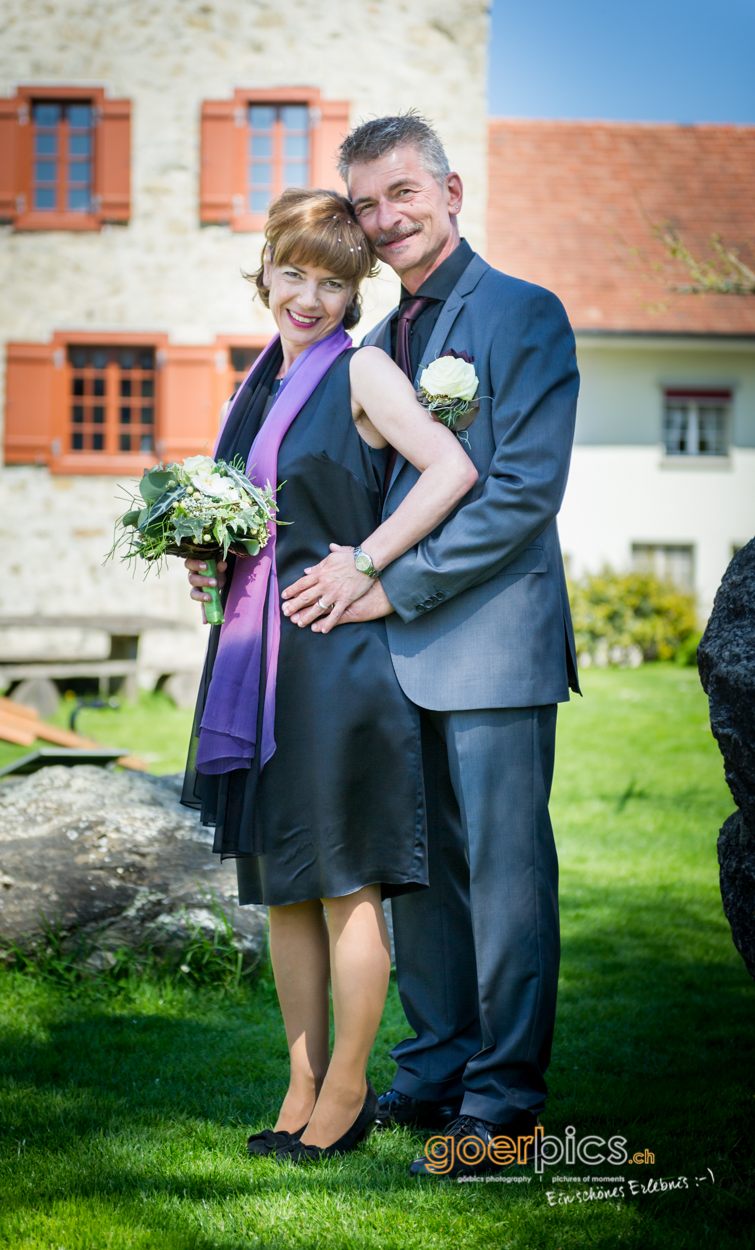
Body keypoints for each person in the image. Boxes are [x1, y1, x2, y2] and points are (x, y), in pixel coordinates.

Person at [280, 114, 581, 1179]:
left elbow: (519, 493)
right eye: (365, 204)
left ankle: (502, 1104)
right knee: (420, 879)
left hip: (494, 646)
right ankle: (439, 1064)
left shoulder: (523, 315)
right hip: (387, 661)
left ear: (451, 191)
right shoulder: (368, 348)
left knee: (503, 878)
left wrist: (383, 585)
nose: (385, 218)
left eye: (402, 193)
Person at [182, 186, 476, 1164]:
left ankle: (348, 1091)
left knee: (345, 887)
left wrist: (369, 559)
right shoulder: (257, 381)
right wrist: (208, 558)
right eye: (294, 272)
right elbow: (257, 513)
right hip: (258, 658)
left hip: (335, 666)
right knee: (285, 889)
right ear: (265, 267)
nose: (309, 296)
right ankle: (300, 1081)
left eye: (334, 281)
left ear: (358, 291)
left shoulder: (362, 373)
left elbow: (449, 470)